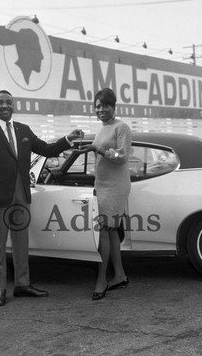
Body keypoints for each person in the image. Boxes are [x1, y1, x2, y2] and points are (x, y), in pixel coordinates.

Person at [0, 89, 84, 306]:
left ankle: (23, 285)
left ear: (13, 106)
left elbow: (47, 149)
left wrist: (67, 140)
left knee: (21, 243)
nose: (5, 106)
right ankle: (0, 288)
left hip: (21, 197)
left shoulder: (23, 130)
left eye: (9, 102)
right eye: (0, 103)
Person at [78, 88, 132, 300]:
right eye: (97, 106)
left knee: (104, 231)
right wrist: (89, 148)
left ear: (113, 106)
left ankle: (101, 280)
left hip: (116, 186)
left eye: (105, 105)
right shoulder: (103, 129)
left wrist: (97, 149)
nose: (100, 109)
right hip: (102, 185)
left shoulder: (122, 127)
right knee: (110, 232)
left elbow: (122, 156)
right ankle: (119, 275)